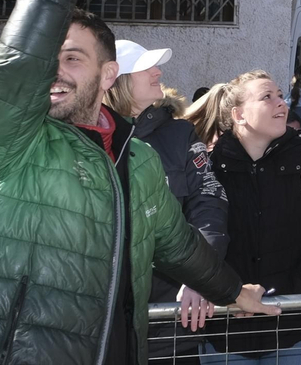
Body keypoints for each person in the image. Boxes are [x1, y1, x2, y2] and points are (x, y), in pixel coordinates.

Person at [0, 0, 272, 365]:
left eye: (73, 57)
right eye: (47, 56)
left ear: (107, 74)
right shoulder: (5, 136)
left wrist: (232, 292)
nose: (52, 69)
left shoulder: (136, 158)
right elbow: (17, 64)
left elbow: (180, 246)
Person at [206, 72, 301, 365]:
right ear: (239, 115)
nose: (282, 104)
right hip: (226, 332)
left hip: (293, 330)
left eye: (280, 95)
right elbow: (196, 242)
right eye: (267, 97)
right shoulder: (210, 166)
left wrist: (286, 294)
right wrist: (230, 292)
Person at [103, 40, 229, 365]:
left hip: (169, 327)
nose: (158, 72)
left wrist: (201, 277)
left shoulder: (180, 135)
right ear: (117, 79)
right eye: (146, 67)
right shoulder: (83, 137)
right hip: (99, 328)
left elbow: (209, 206)